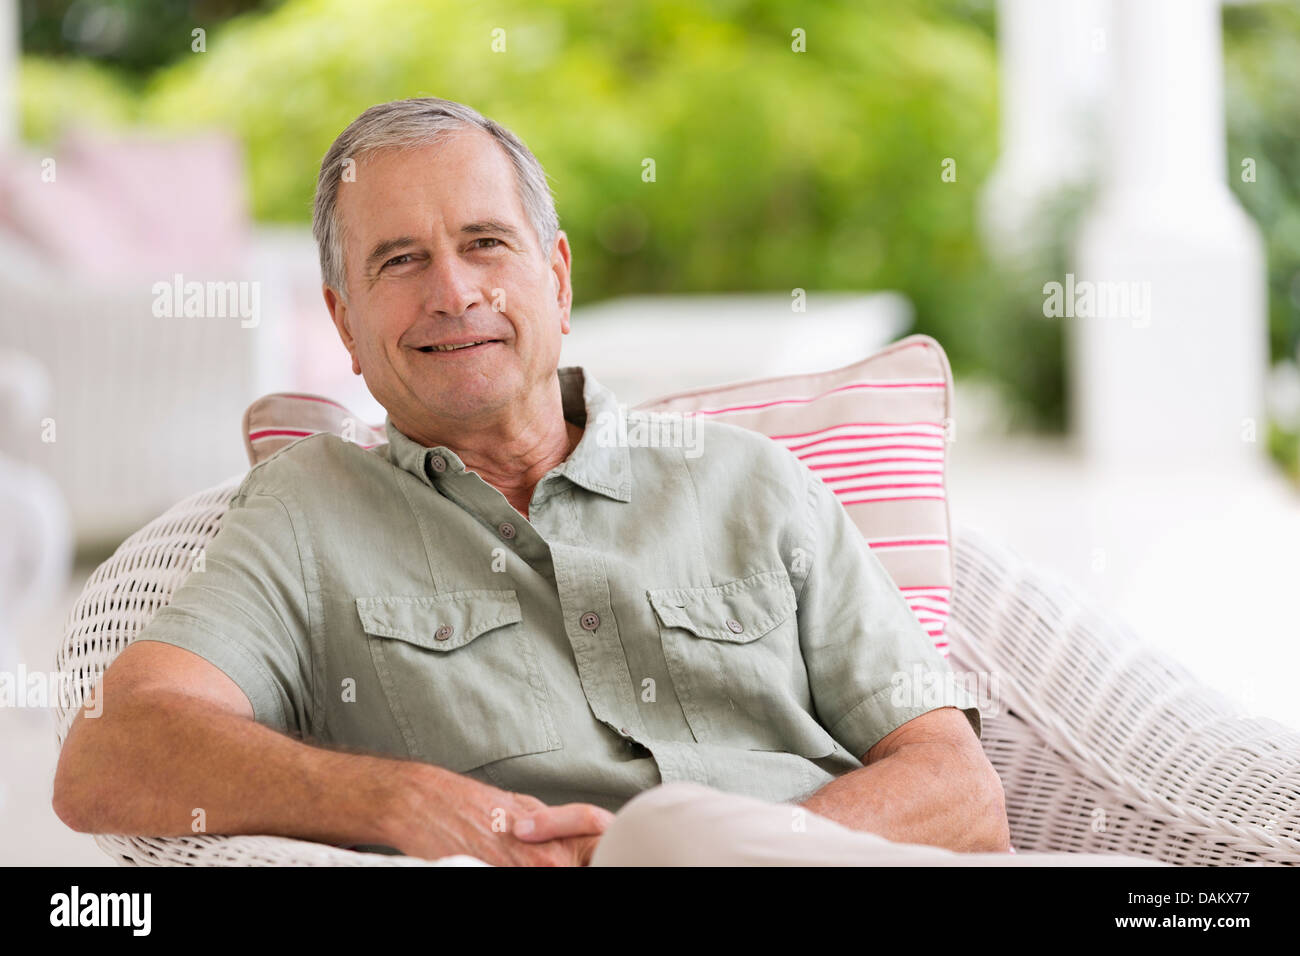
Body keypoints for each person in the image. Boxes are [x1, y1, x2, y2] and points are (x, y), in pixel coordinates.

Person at [53, 97, 1130, 867]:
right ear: (342, 323)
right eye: (399, 262)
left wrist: (764, 852)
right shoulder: (305, 512)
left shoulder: (751, 483)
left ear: (555, 277)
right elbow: (111, 754)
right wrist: (403, 800)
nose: (454, 291)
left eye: (485, 243)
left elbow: (958, 788)